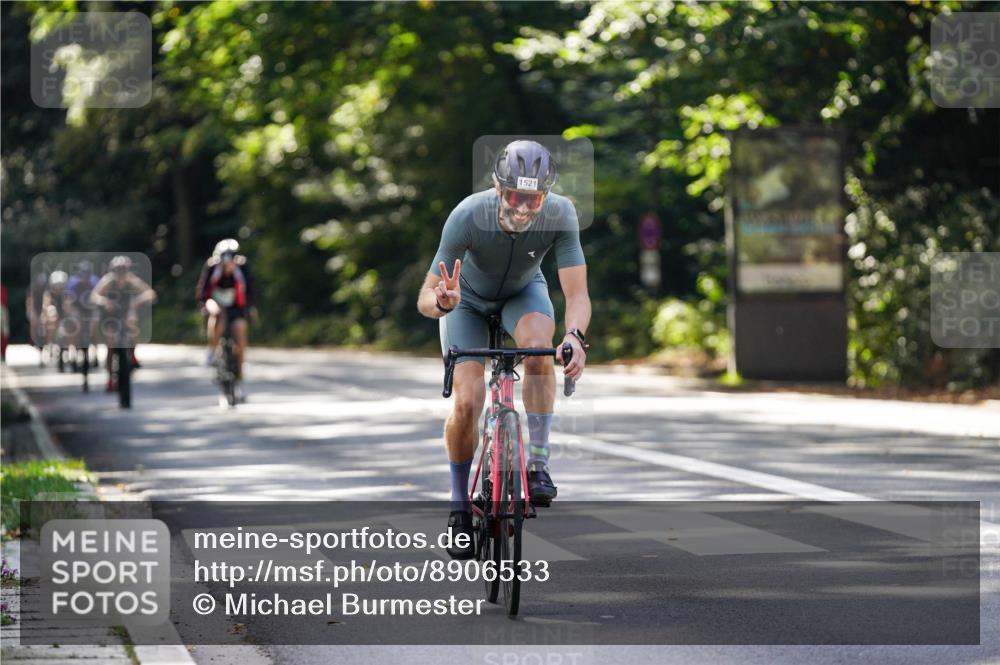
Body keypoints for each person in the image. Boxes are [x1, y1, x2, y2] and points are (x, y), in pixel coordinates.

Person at [416, 140, 591, 559]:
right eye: (515, 196)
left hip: (523, 293)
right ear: (498, 189)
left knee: (538, 347)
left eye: (534, 198)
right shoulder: (467, 215)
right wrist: (443, 301)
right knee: (469, 398)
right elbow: (425, 297)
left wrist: (576, 337)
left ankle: (539, 462)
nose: (524, 207)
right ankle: (460, 505)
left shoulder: (561, 214)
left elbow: (578, 293)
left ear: (546, 195)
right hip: (467, 302)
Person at [90, 256, 156, 392]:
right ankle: (110, 378)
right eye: (118, 270)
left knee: (132, 323)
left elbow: (150, 293)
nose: (121, 273)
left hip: (125, 314)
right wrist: (104, 302)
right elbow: (94, 296)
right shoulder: (108, 281)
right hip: (110, 316)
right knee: (111, 344)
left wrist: (138, 301)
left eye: (123, 270)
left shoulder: (132, 281)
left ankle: (133, 354)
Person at [196, 239, 255, 390]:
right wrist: (205, 306)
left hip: (236, 307)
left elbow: (251, 290)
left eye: (231, 259)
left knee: (240, 332)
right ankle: (212, 350)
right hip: (216, 305)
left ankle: (240, 374)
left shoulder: (242, 268)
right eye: (224, 259)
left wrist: (250, 308)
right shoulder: (212, 267)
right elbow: (203, 291)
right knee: (217, 314)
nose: (228, 264)